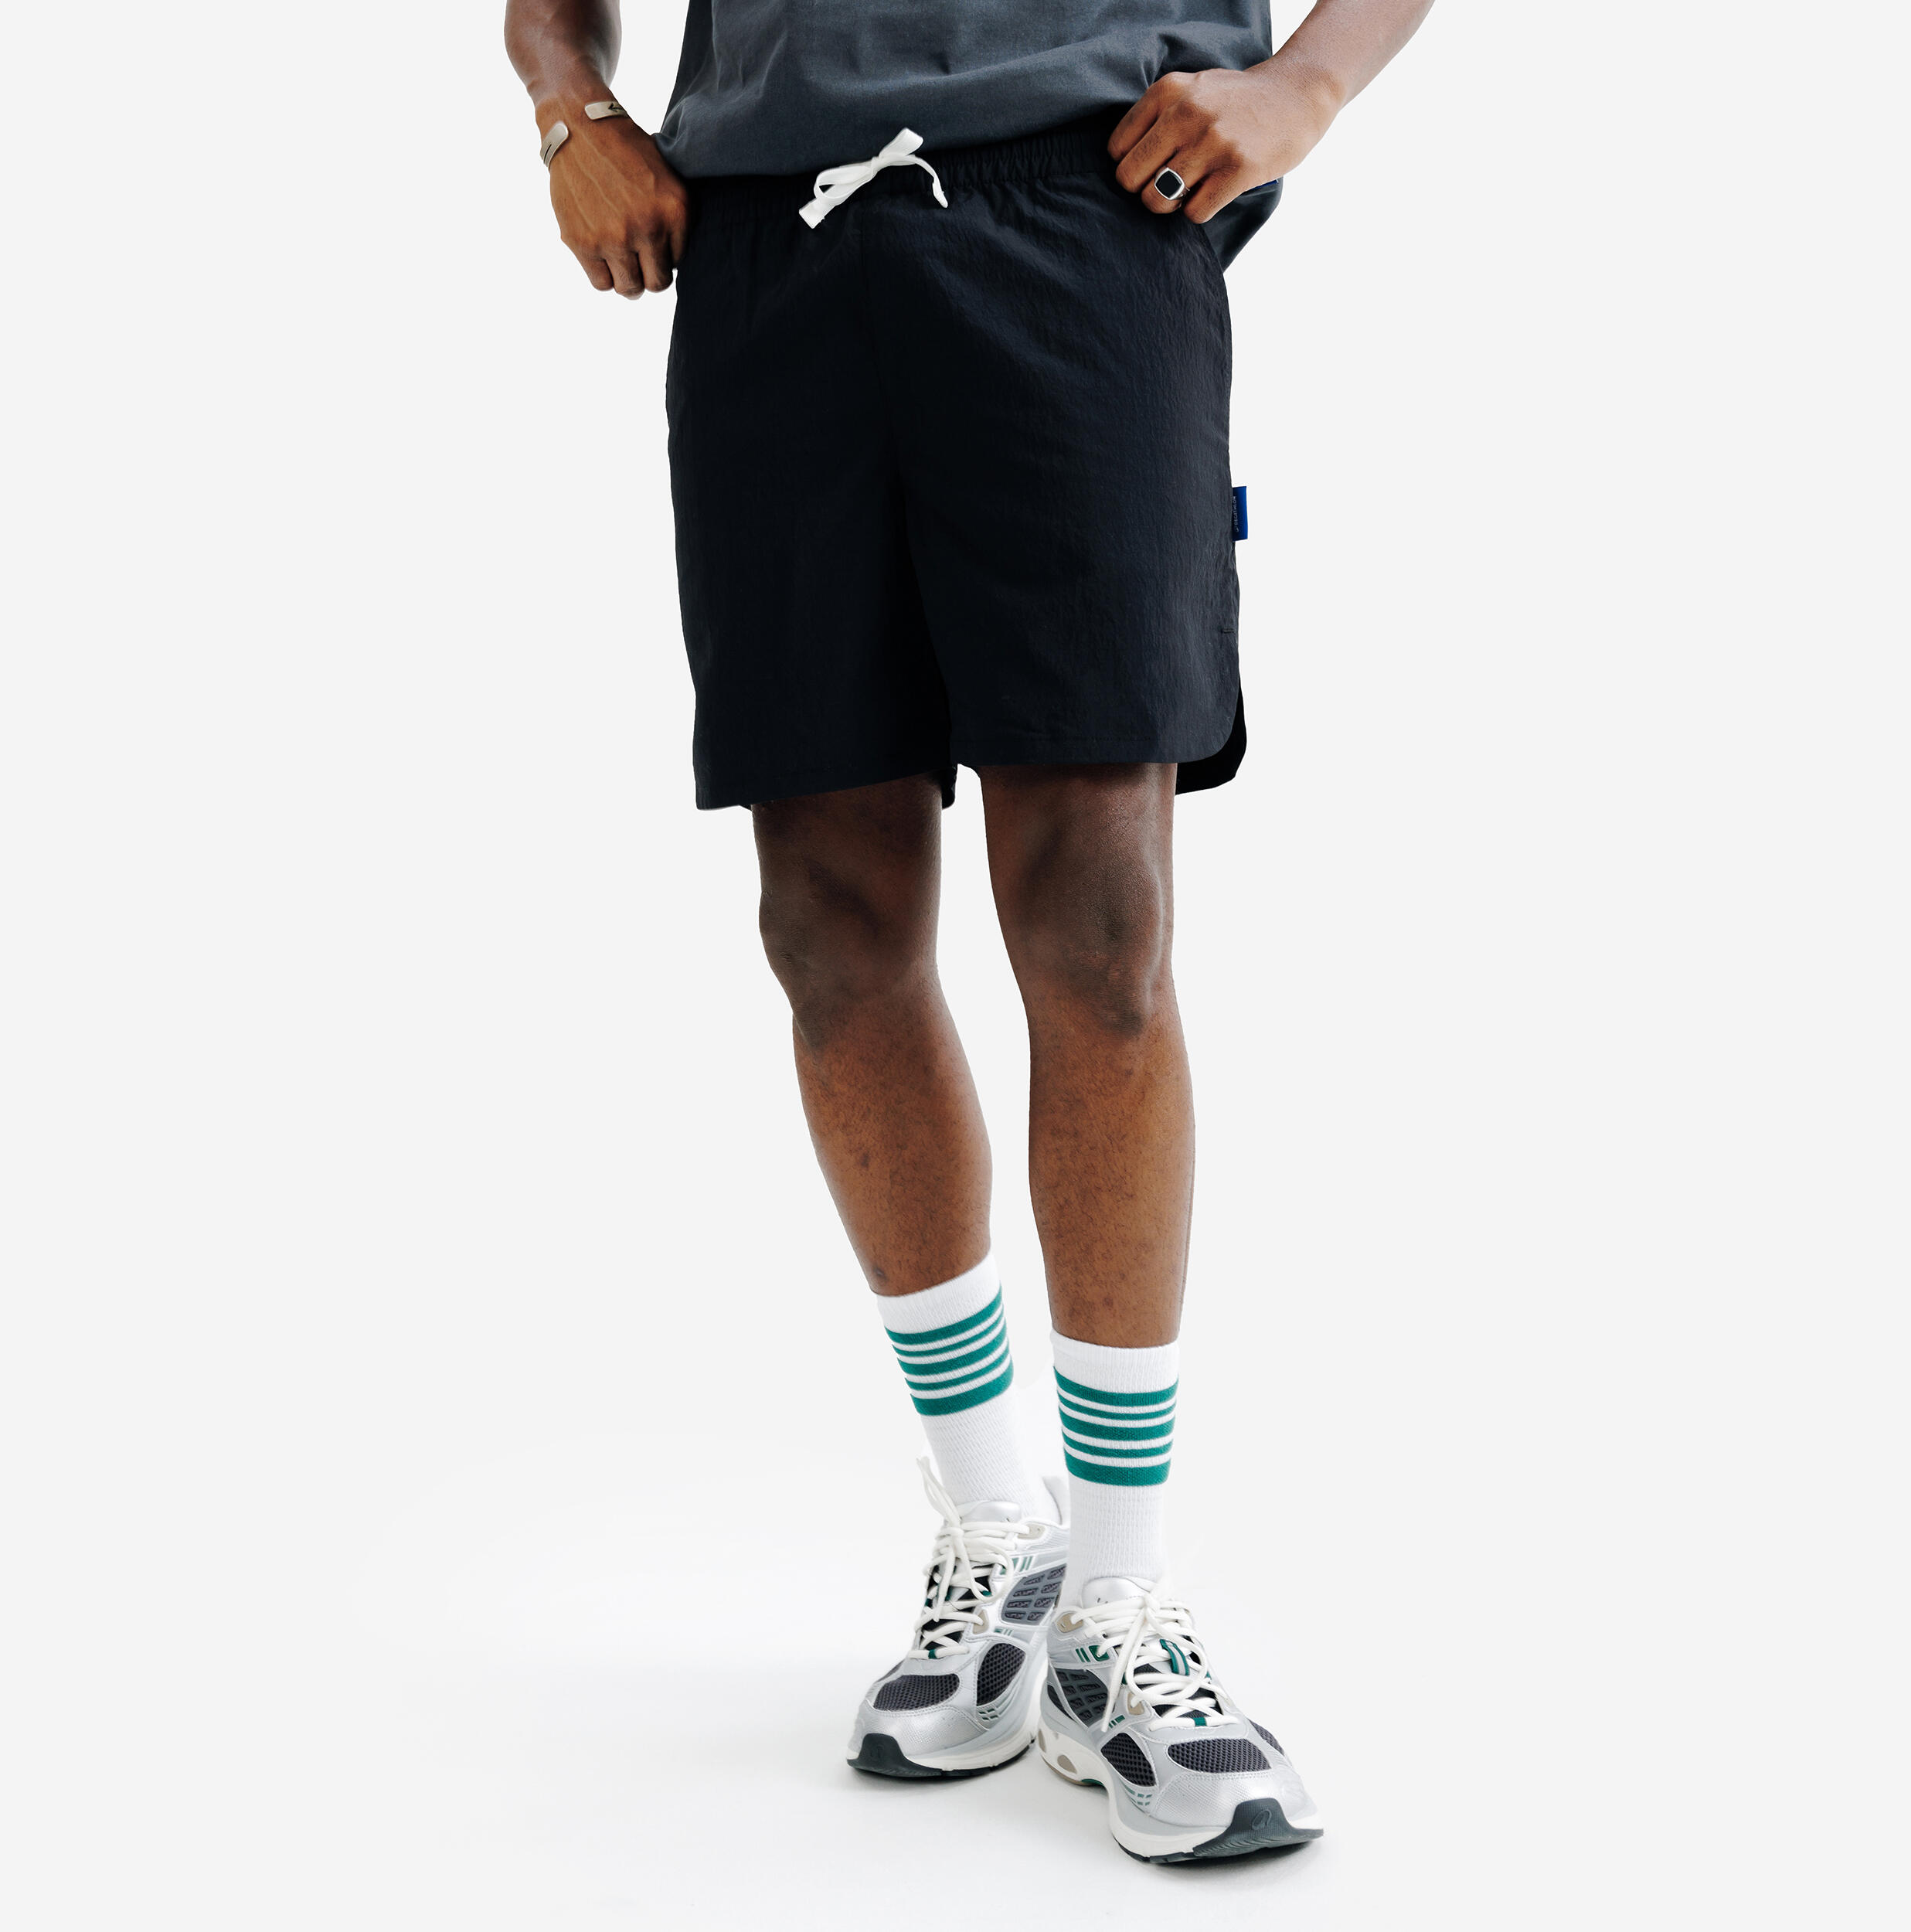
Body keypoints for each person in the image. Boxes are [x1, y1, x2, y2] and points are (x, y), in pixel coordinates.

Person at [505, 0, 1431, 1864]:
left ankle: (1119, 1603)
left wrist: (1306, 83)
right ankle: (998, 1531)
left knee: (1098, 918)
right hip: (770, 240)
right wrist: (567, 107)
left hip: (1086, 210)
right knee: (827, 918)